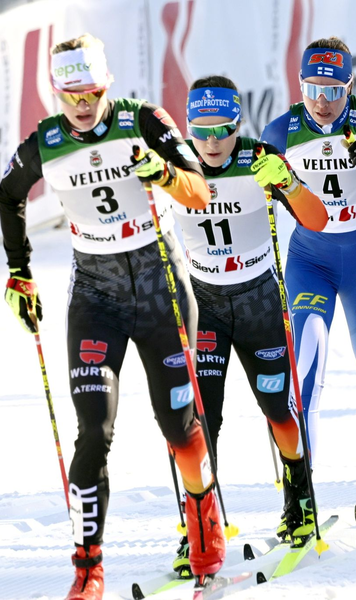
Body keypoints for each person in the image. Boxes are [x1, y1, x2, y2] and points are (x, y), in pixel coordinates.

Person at [0, 34, 226, 596]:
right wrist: (19, 270)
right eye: (70, 93)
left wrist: (162, 173)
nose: (82, 103)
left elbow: (201, 189)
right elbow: (7, 195)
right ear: (56, 92)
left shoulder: (144, 120)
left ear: (108, 86)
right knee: (92, 434)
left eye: (92, 92)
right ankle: (88, 567)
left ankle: (204, 522)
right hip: (95, 295)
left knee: (178, 425)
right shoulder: (44, 142)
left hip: (160, 285)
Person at [169, 76, 328, 575]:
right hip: (206, 305)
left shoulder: (258, 158)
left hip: (258, 298)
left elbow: (316, 219)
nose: (213, 142)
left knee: (278, 409)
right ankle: (201, 526)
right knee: (201, 421)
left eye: (223, 129)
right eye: (201, 130)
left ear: (238, 123)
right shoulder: (175, 166)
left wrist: (289, 183)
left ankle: (300, 500)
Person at [255, 37, 356, 501]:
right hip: (310, 259)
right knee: (306, 364)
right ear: (300, 85)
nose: (323, 102)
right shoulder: (279, 131)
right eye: (313, 89)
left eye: (334, 90)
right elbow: (252, 203)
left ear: (351, 85)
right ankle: (300, 489)